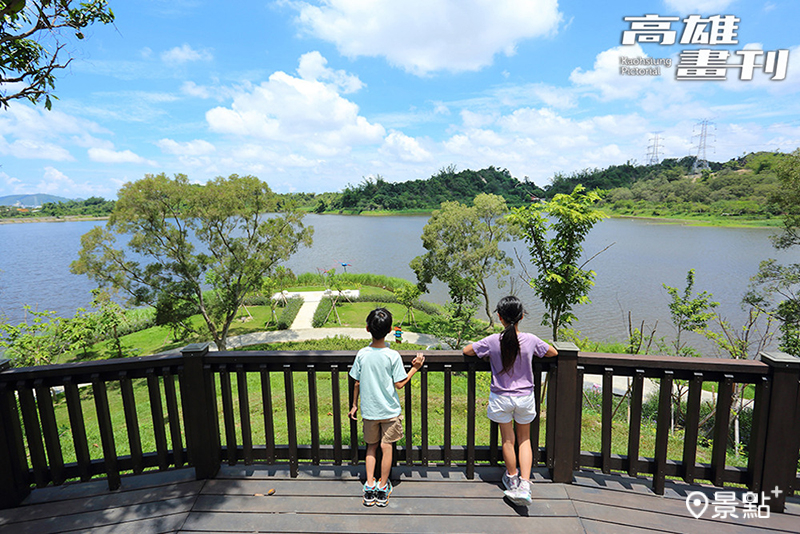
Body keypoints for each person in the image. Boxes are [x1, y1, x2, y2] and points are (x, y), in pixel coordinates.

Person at [462, 296, 557, 506]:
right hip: (524, 397)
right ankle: (525, 484)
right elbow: (553, 352)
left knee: (508, 440)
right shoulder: (530, 339)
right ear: (522, 316)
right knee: (524, 440)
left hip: (501, 397)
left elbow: (467, 351)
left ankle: (512, 479)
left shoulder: (493, 340)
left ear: (499, 317)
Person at [349, 307, 424, 507]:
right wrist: (415, 368)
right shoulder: (392, 355)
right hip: (389, 411)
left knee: (371, 447)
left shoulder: (362, 354)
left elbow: (356, 382)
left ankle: (369, 484)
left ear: (367, 329)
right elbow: (399, 383)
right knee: (386, 446)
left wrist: (354, 405)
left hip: (370, 411)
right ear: (390, 329)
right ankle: (383, 486)